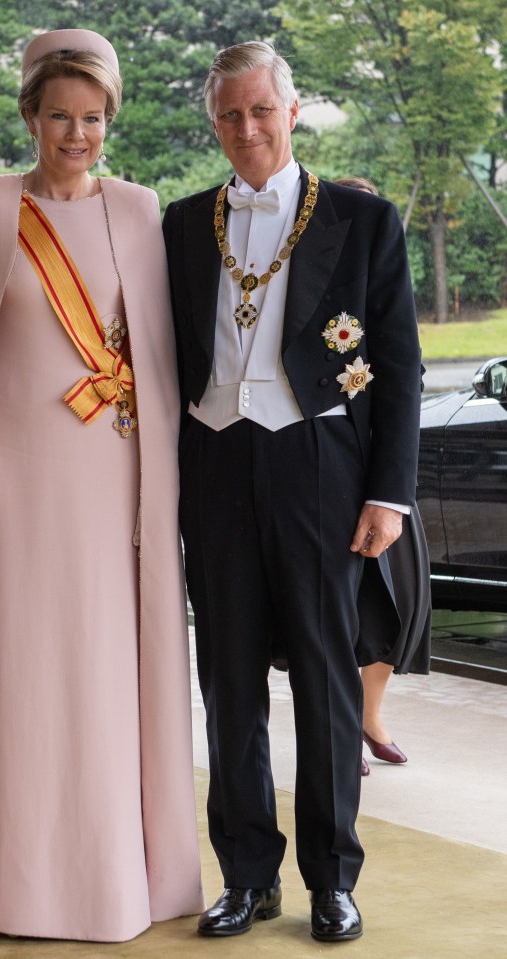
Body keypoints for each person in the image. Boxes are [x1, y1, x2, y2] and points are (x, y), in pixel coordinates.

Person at [0, 29, 203, 943]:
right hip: (12, 493)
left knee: (106, 674)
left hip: (113, 484)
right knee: (17, 677)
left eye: (94, 118)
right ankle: (4, 885)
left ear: (111, 118)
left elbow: (157, 355)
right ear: (30, 115)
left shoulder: (142, 211)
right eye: (61, 117)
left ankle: (113, 880)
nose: (78, 134)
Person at [163, 42, 422, 942]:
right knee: (228, 684)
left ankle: (332, 879)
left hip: (320, 466)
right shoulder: (180, 223)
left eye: (260, 111)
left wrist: (389, 493)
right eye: (229, 115)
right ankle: (246, 874)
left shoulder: (363, 220)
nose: (246, 130)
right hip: (214, 466)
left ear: (293, 109)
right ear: (214, 122)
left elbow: (399, 366)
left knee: (325, 684)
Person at [334, 176, 432, 777]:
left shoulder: (388, 287)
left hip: (386, 478)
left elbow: (408, 373)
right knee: (338, 611)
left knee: (394, 611)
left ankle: (370, 717)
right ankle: (339, 722)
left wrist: (392, 489)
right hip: (329, 471)